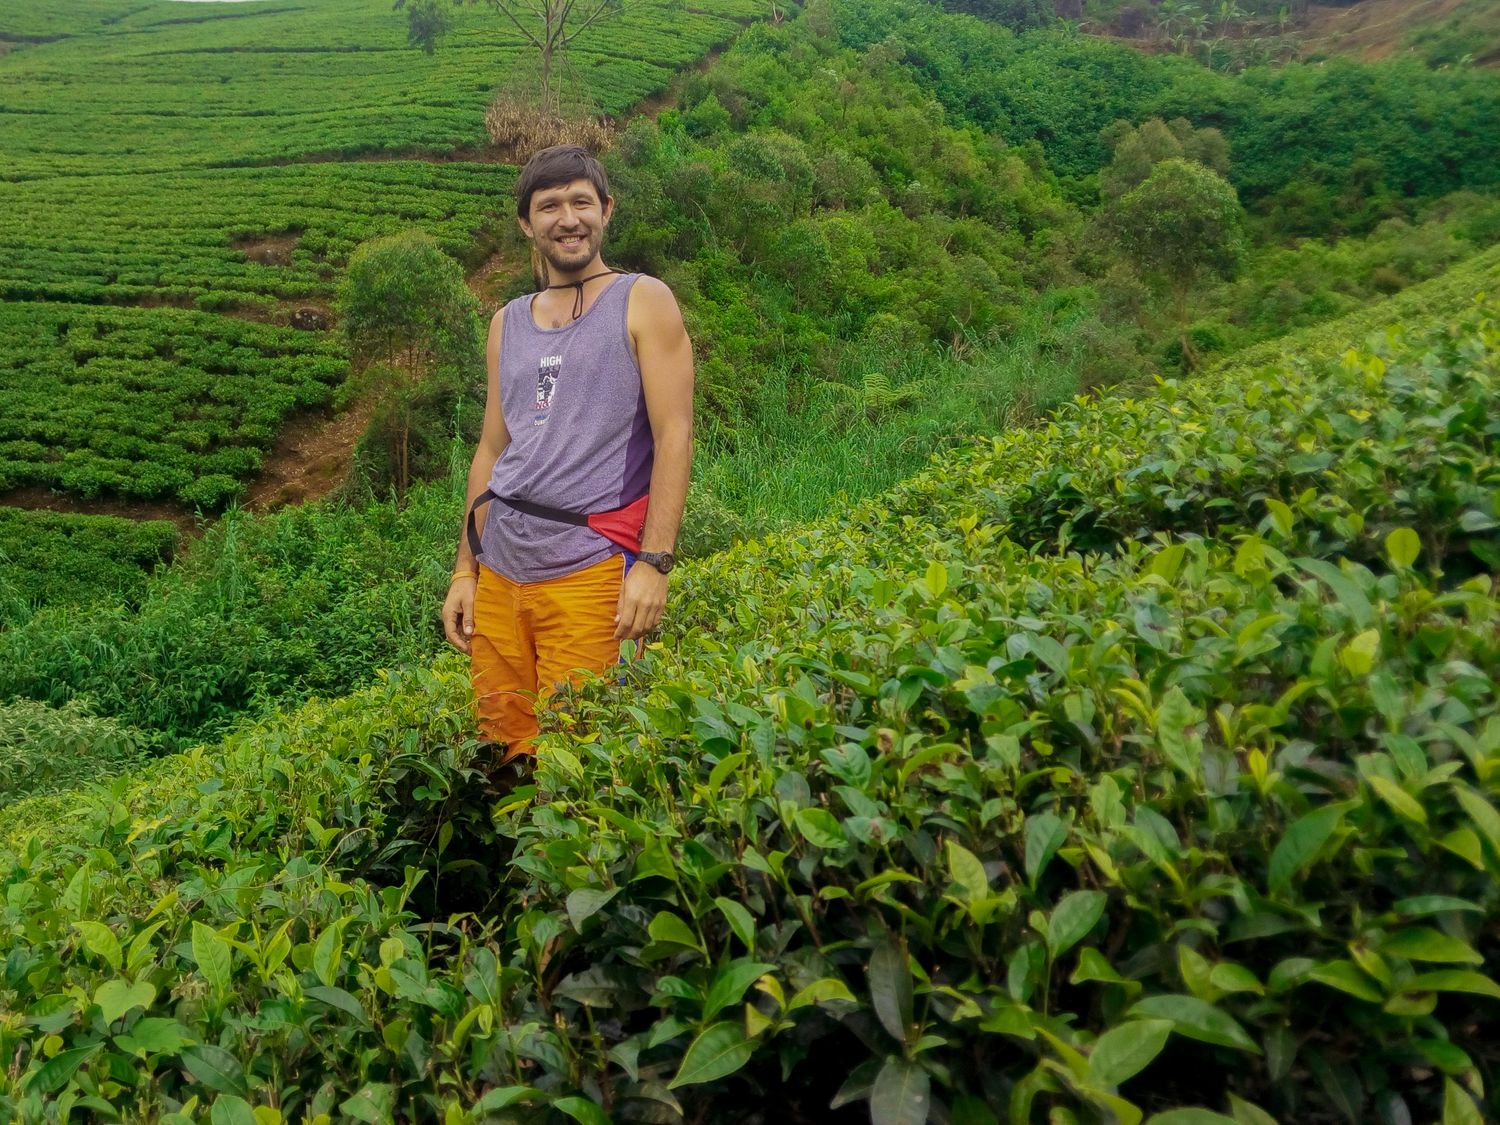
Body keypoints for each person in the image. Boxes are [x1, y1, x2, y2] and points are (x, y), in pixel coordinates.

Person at [441, 144, 694, 768]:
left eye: (581, 202)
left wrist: (655, 563)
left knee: (580, 759)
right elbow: (492, 449)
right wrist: (465, 571)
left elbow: (675, 433)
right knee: (503, 752)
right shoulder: (507, 322)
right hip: (501, 570)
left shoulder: (643, 299)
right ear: (527, 223)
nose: (568, 218)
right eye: (549, 206)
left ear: (606, 210)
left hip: (590, 566)